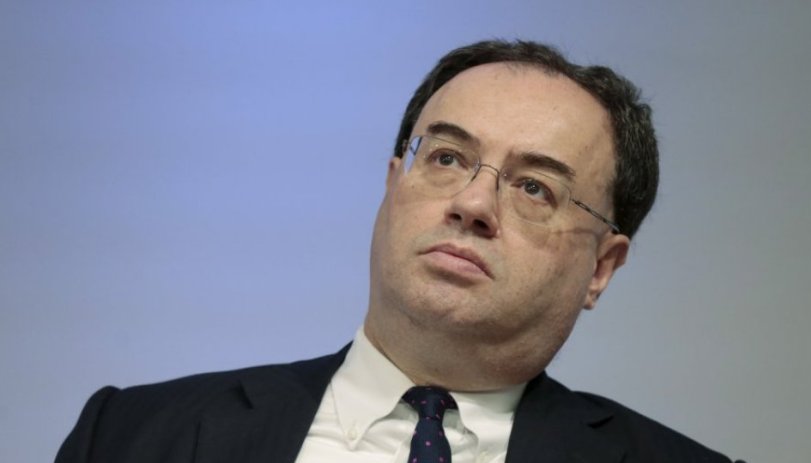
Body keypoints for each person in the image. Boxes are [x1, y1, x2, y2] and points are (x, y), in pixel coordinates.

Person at [56, 40, 739, 463]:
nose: (472, 203)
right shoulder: (128, 436)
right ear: (392, 186)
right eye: (446, 157)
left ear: (601, 267)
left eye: (534, 187)